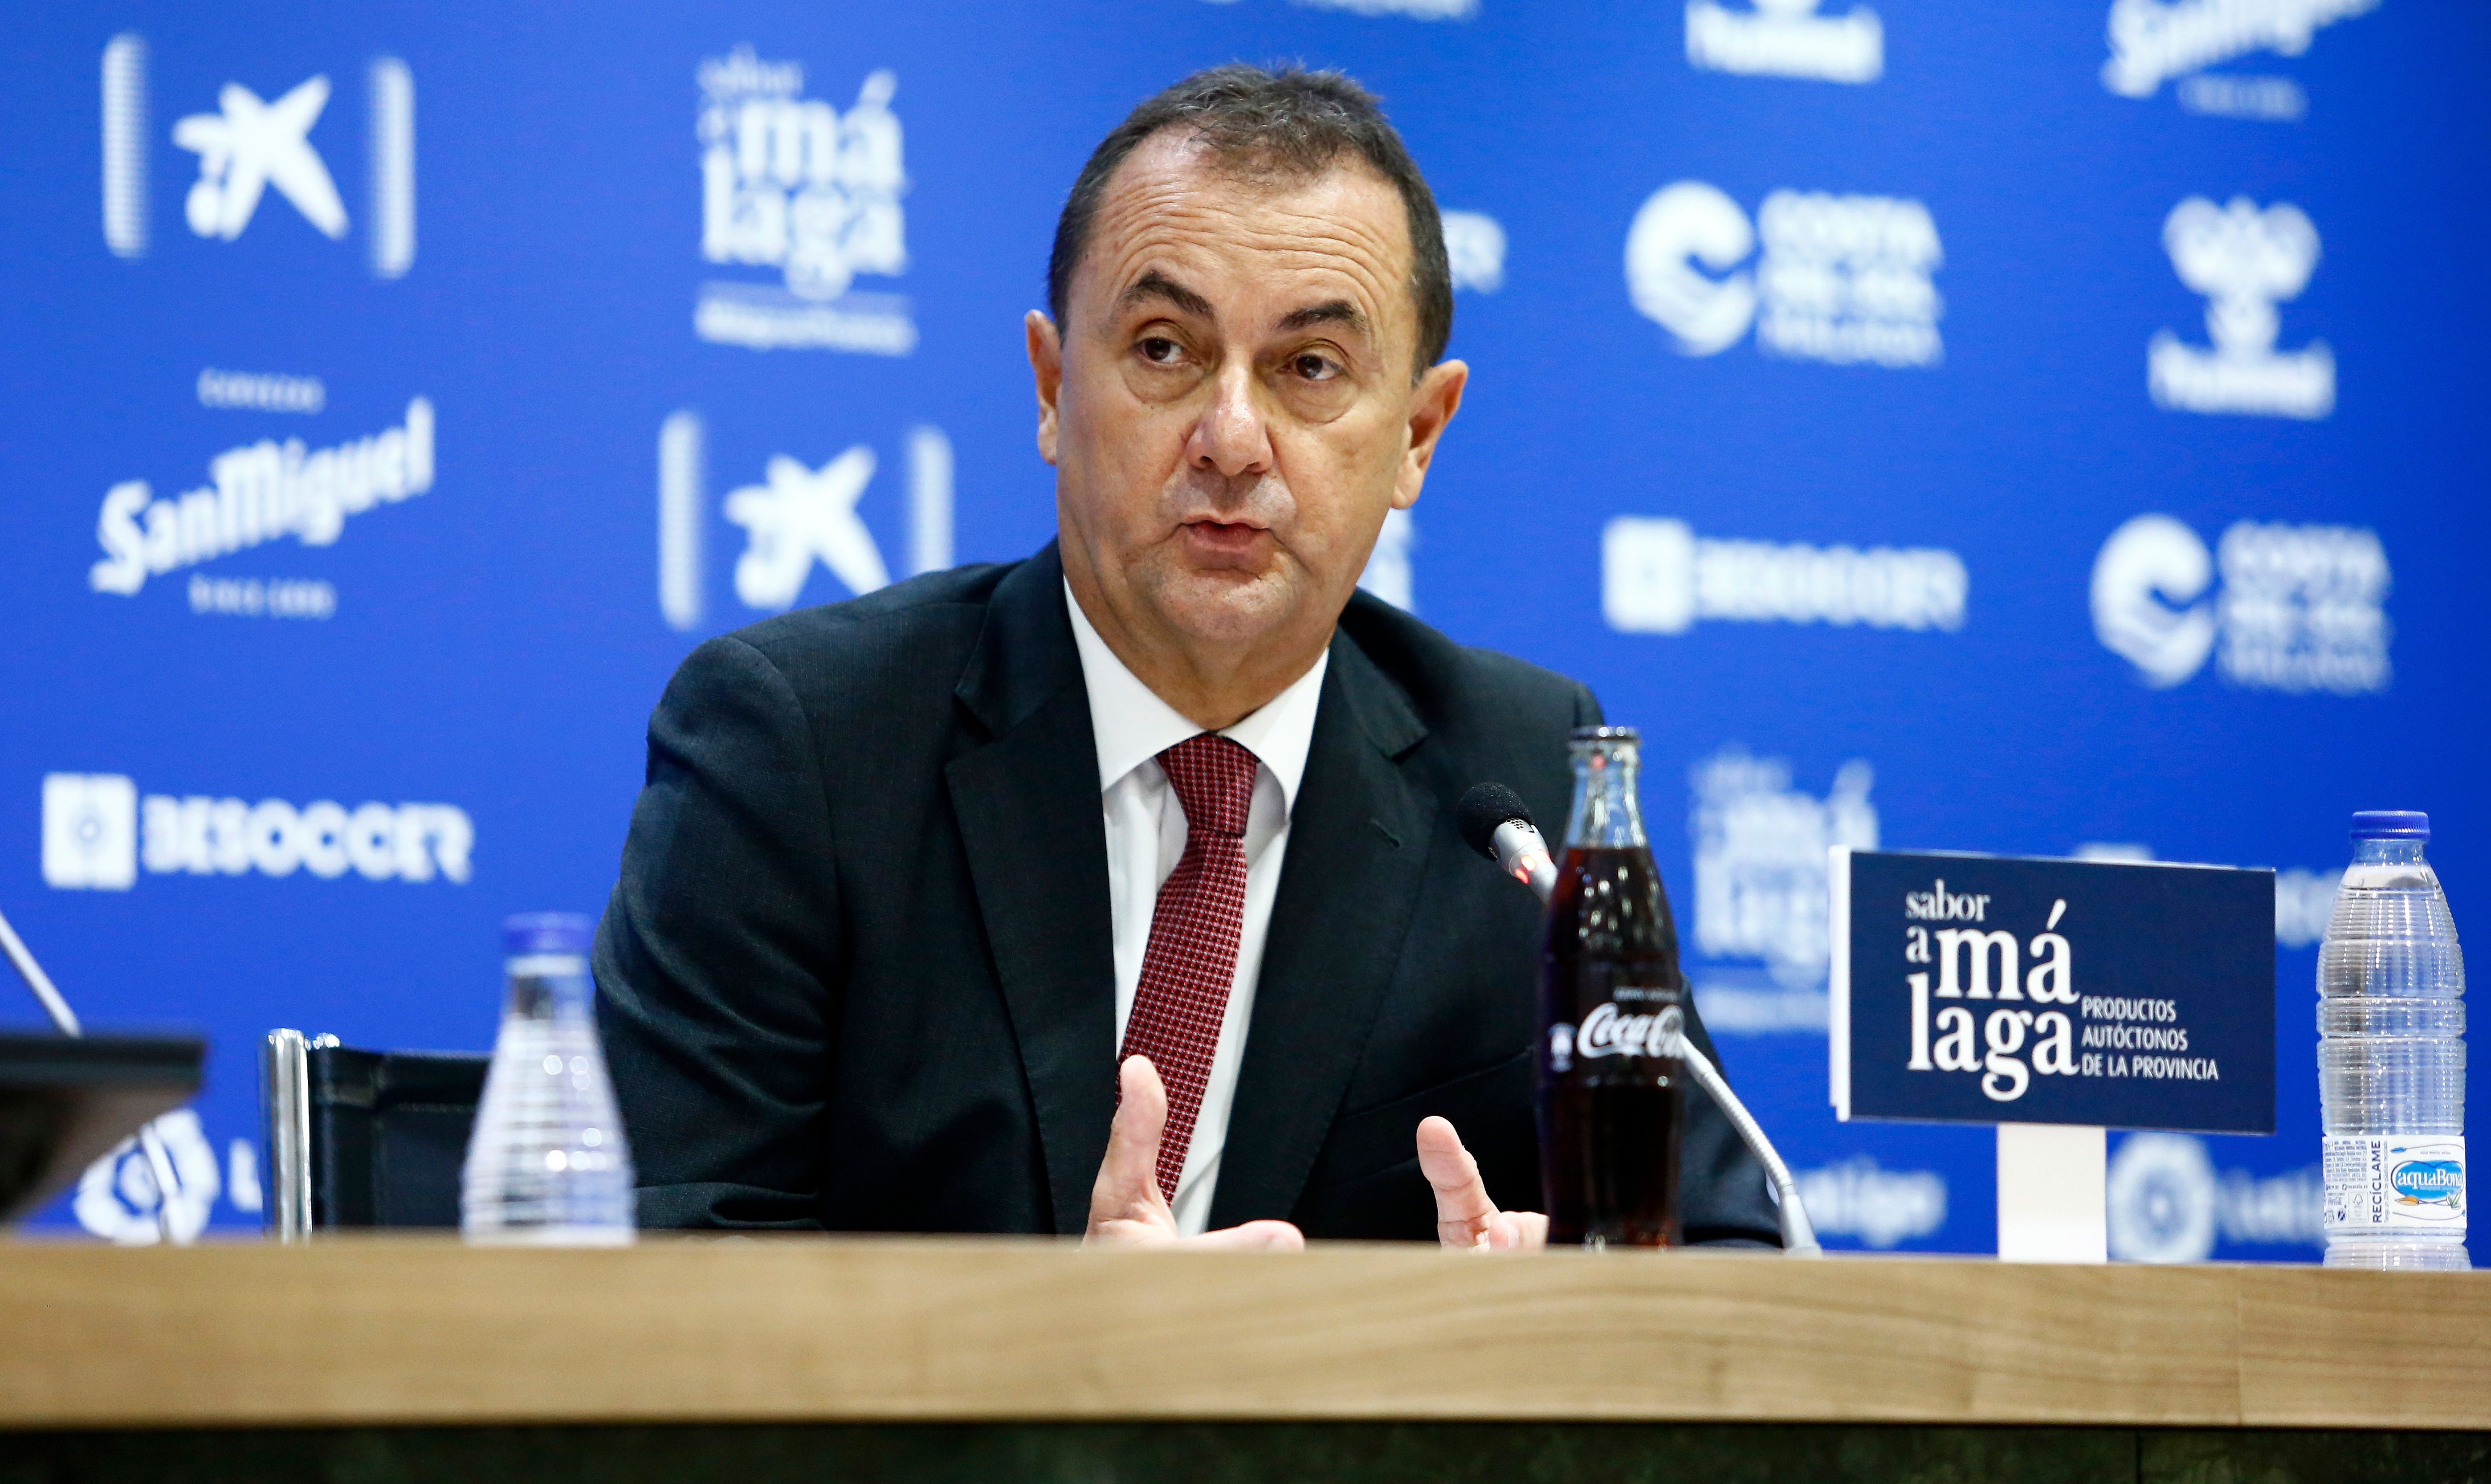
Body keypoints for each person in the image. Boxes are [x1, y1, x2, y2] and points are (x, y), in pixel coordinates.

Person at [595, 65, 1778, 1252]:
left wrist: (1565, 1301)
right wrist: (1069, 1337)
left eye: (1310, 367)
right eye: (1164, 349)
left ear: (1418, 435)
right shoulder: (804, 742)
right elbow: (674, 1254)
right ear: (1053, 386)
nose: (1231, 439)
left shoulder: (1515, 780)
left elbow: (1726, 1250)